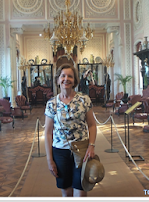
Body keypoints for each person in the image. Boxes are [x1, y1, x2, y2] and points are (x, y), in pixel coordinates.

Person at [44, 63, 97, 197]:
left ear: (74, 81)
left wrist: (91, 146)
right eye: (63, 76)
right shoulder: (52, 104)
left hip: (82, 150)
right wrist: (50, 160)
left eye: (70, 76)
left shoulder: (84, 100)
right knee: (66, 192)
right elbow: (48, 133)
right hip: (60, 152)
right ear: (57, 79)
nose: (66, 79)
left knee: (81, 190)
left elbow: (92, 125)